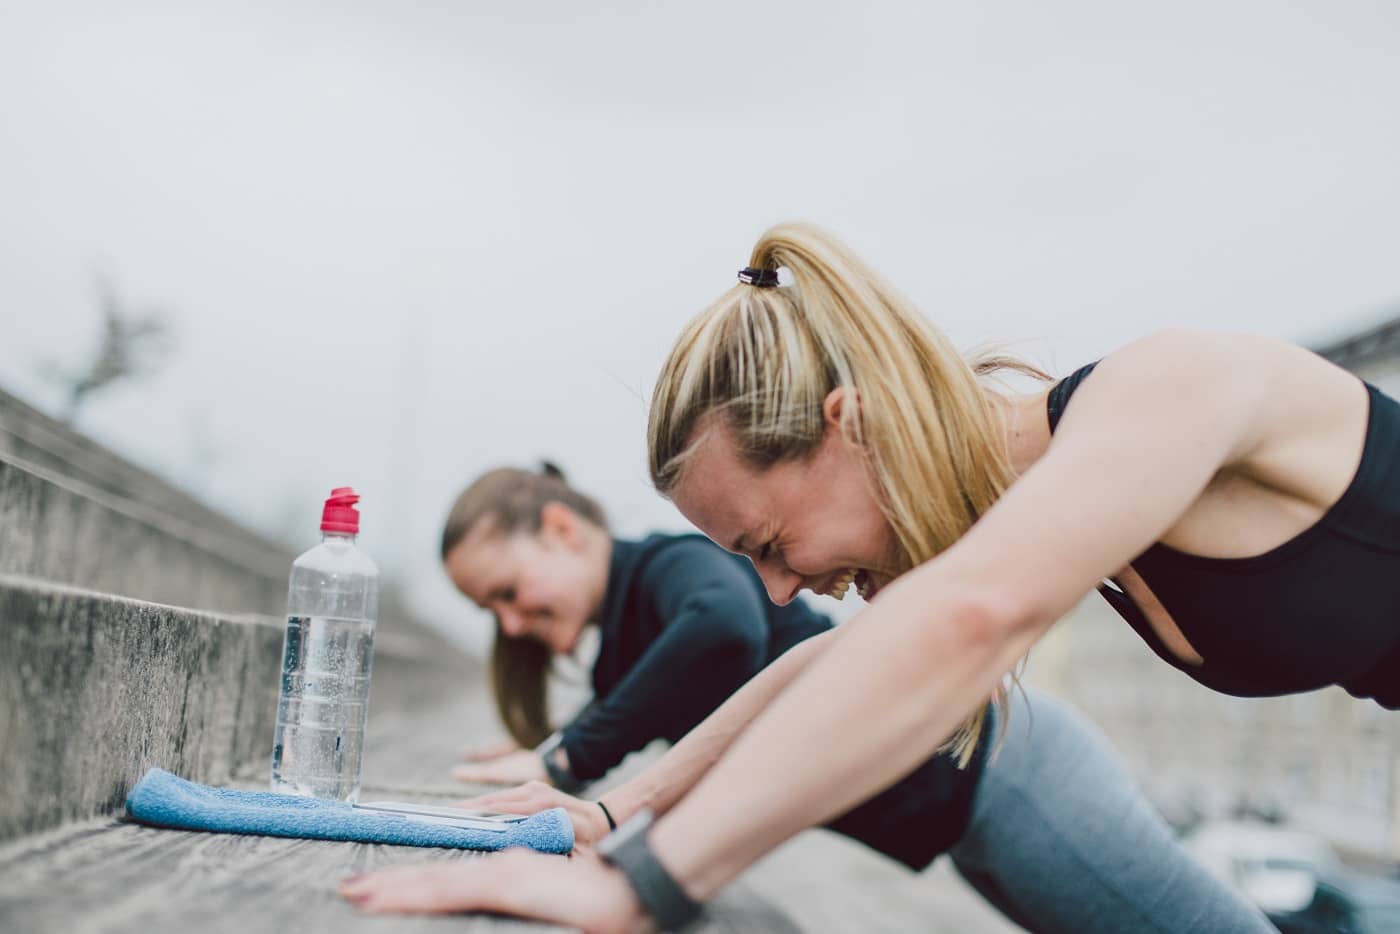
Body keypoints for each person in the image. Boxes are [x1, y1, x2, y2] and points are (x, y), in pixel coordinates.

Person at [342, 221, 1398, 930]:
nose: (774, 591)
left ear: (850, 425)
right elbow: (827, 667)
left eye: (767, 543)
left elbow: (968, 619)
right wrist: (616, 817)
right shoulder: (1032, 504)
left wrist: (641, 888)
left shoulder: (1172, 387)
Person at [344, 462, 1271, 931]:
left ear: (561, 529)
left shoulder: (668, 569)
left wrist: (570, 758)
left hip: (1012, 781)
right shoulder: (626, 648)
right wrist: (586, 803)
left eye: (509, 591)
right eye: (491, 612)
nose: (510, 622)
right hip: (968, 829)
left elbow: (725, 631)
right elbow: (744, 730)